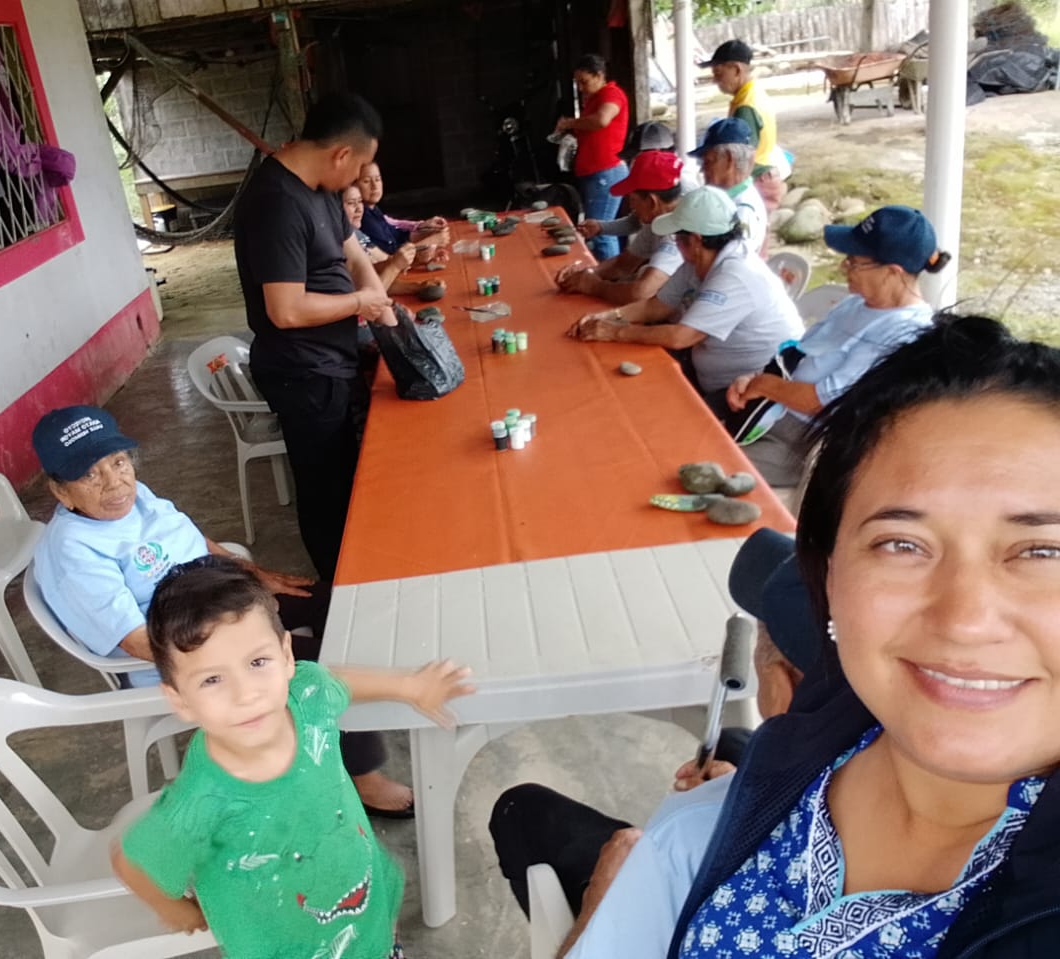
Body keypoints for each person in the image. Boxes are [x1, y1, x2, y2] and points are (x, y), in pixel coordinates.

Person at [564, 315, 1060, 958]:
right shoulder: (731, 809)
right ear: (828, 576)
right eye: (902, 544)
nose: (964, 619)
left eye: (1043, 552)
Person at [31, 405, 414, 816]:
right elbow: (139, 642)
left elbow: (192, 540)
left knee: (339, 604)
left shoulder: (134, 495)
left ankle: (377, 700)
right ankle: (362, 776)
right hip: (184, 651)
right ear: (61, 492)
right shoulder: (75, 551)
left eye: (118, 462)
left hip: (221, 598)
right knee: (319, 668)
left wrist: (253, 573)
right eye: (90, 475)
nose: (114, 482)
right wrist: (244, 641)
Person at [112, 561, 474, 958]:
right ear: (179, 698)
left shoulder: (306, 697)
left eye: (257, 662)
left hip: (364, 900)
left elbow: (333, 680)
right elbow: (134, 864)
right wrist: (179, 913)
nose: (246, 694)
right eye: (212, 679)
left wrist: (410, 686)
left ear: (286, 656)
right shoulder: (200, 801)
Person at [489, 526, 818, 947]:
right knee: (737, 741)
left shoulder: (688, 858)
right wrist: (744, 791)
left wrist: (601, 903)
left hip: (678, 909)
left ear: (781, 686)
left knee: (521, 809)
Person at [233, 92, 393, 583]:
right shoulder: (277, 203)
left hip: (331, 361)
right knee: (326, 491)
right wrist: (360, 303)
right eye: (361, 167)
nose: (361, 180)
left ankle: (356, 568)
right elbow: (285, 310)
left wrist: (377, 296)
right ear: (341, 154)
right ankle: (339, 587)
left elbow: (352, 252)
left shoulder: (320, 187)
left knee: (346, 476)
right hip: (303, 371)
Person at [726, 205, 949, 486]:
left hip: (804, 441)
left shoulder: (904, 331)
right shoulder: (855, 303)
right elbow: (799, 353)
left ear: (892, 272)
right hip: (770, 409)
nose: (845, 267)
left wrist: (763, 386)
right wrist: (753, 380)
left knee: (705, 464)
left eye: (855, 262)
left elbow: (824, 403)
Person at [566, 186, 801, 413]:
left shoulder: (736, 274)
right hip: (707, 372)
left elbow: (681, 337)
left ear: (696, 240)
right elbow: (656, 306)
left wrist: (613, 331)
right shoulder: (699, 259)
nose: (675, 242)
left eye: (677, 236)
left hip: (744, 392)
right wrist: (605, 317)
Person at [559, 149, 686, 306]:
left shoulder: (677, 234)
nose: (631, 207)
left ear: (652, 202)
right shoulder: (657, 218)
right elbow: (623, 265)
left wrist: (595, 286)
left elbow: (640, 293)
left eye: (633, 200)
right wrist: (585, 274)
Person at [554, 54, 630, 261]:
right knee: (599, 228)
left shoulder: (611, 93)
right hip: (595, 172)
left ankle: (608, 275)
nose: (580, 88)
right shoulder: (594, 99)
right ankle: (607, 271)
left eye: (584, 82)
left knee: (600, 230)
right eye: (577, 83)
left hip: (606, 171)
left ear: (599, 76)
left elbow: (602, 120)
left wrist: (570, 123)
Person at [700, 39, 786, 212]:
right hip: (764, 175)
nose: (715, 80)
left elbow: (742, 159)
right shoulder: (753, 93)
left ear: (736, 69)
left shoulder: (746, 107)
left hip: (757, 180)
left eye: (718, 73)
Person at [342, 184, 447, 297]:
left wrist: (418, 280)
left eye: (360, 201)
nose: (359, 209)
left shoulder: (355, 232)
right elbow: (370, 294)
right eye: (351, 203)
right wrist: (396, 265)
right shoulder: (340, 241)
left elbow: (377, 269)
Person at [690, 118, 767, 251]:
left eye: (708, 162)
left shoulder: (742, 210)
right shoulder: (732, 199)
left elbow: (734, 260)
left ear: (729, 159)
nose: (702, 170)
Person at [355, 161, 449, 261]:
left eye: (378, 179)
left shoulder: (373, 209)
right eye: (366, 181)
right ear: (354, 186)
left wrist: (427, 231)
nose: (374, 186)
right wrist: (428, 242)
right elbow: (391, 252)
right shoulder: (363, 217)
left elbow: (397, 235)